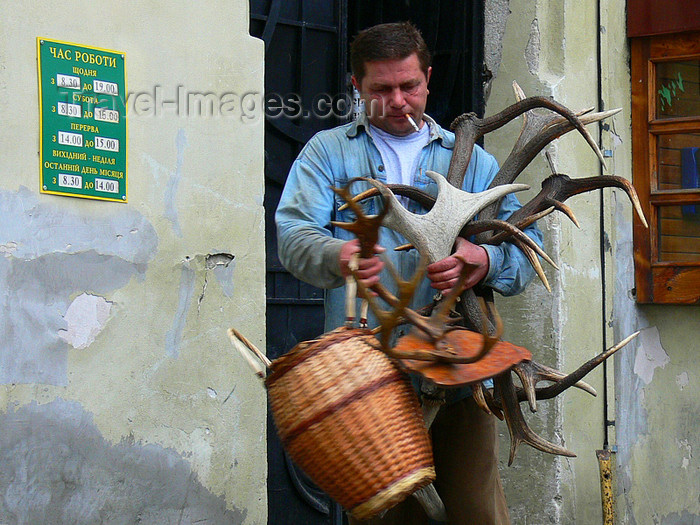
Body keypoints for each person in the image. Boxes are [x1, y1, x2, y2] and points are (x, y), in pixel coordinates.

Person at [275, 21, 542, 525]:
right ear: (356, 87)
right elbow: (292, 236)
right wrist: (340, 254)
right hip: (367, 377)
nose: (398, 100)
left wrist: (482, 261)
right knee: (386, 514)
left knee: (474, 510)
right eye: (381, 89)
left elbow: (528, 250)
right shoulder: (328, 154)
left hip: (459, 367)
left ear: (429, 79)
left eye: (409, 86)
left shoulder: (476, 164)